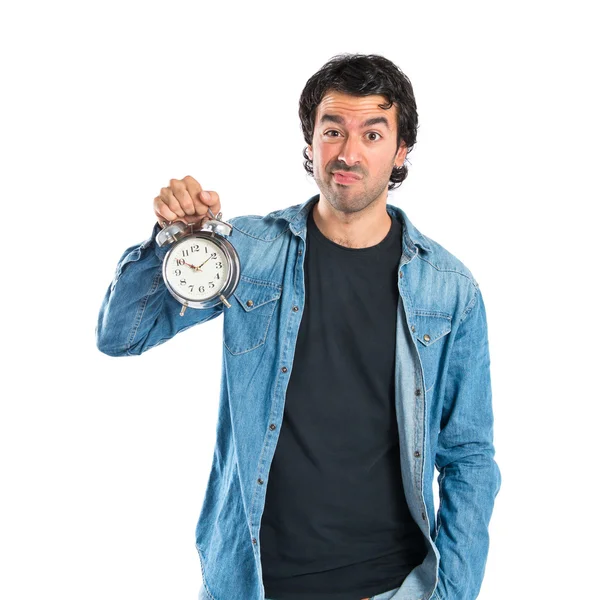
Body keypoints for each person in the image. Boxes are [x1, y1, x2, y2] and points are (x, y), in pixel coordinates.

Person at [96, 53, 501, 600]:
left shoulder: (449, 289)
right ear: (310, 144)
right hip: (253, 584)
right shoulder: (248, 252)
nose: (349, 153)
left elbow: (470, 455)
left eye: (373, 134)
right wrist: (173, 238)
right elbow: (122, 334)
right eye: (332, 130)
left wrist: (452, 591)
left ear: (401, 150)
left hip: (391, 586)